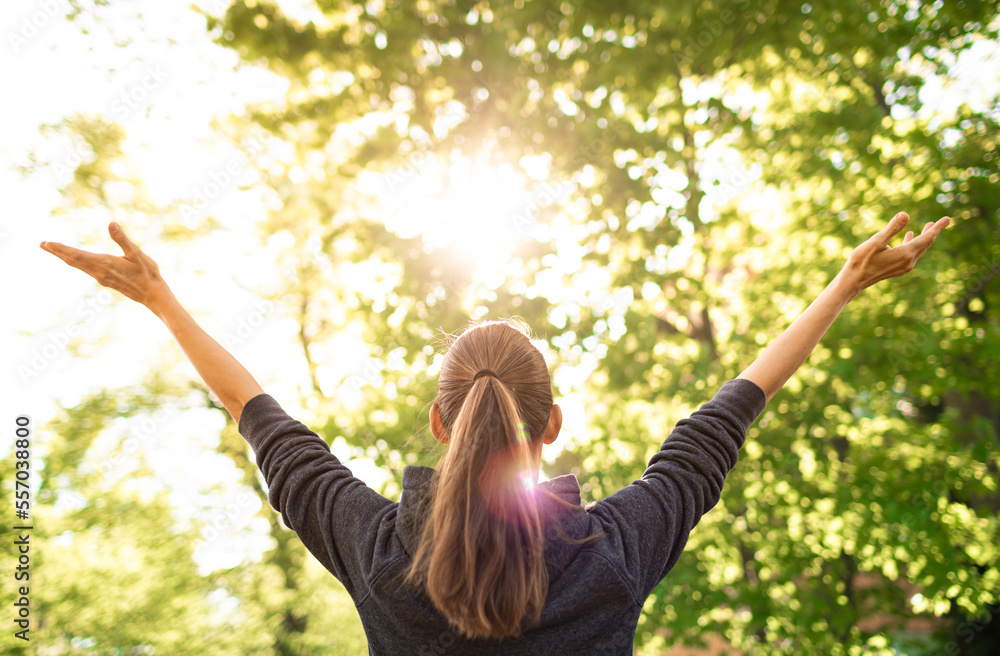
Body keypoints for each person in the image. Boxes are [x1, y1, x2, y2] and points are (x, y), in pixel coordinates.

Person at [40, 211, 950, 654]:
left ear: (439, 422)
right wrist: (840, 286)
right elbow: (727, 413)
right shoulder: (614, 550)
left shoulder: (380, 553)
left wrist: (162, 300)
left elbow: (264, 421)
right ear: (554, 424)